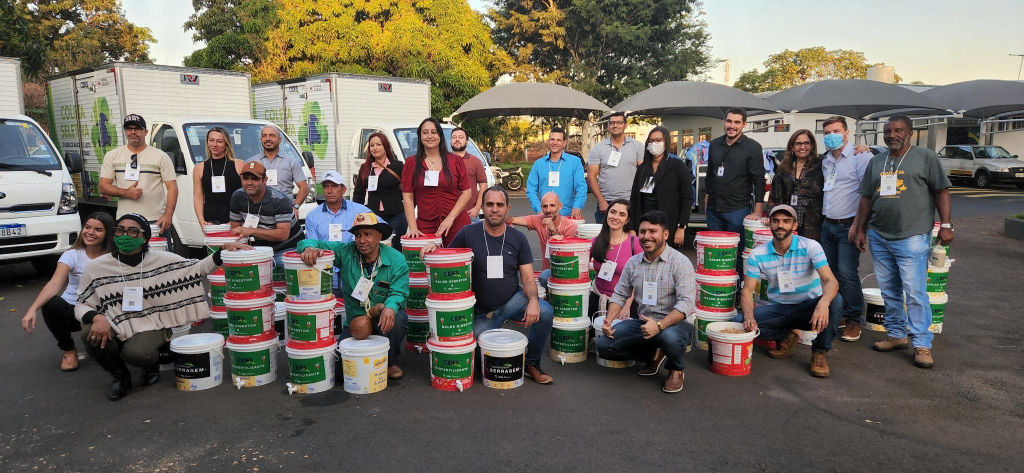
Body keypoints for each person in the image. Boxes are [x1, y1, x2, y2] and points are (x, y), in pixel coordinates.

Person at [74, 213, 248, 400]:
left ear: (144, 238)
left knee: (136, 354)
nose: (125, 235)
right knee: (88, 334)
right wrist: (97, 317)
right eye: (120, 230)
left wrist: (222, 250)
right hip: (114, 321)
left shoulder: (162, 260)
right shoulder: (97, 267)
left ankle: (150, 364)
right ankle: (120, 375)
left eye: (133, 231)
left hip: (151, 322)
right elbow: (81, 304)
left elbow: (197, 269)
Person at [421, 187, 555, 384]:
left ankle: (531, 363)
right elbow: (447, 257)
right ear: (482, 207)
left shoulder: (518, 238)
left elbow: (527, 279)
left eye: (499, 205)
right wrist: (435, 248)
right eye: (489, 204)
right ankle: (488, 333)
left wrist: (534, 301)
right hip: (480, 311)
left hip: (512, 302)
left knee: (545, 312)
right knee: (477, 359)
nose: (494, 209)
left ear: (507, 208)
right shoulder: (468, 233)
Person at [853, 115, 953, 369]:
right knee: (889, 291)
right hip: (879, 235)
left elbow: (941, 190)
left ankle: (922, 343)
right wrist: (861, 229)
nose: (892, 135)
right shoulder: (876, 161)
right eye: (888, 131)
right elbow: (866, 197)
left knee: (915, 293)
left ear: (909, 133)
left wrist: (947, 225)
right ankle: (897, 335)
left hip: (912, 236)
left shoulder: (926, 157)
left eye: (898, 130)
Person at [298, 212, 409, 380]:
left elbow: (399, 291)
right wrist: (308, 248)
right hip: (356, 321)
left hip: (382, 315)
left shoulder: (396, 259)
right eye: (358, 235)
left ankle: (389, 362)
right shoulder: (345, 252)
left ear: (379, 236)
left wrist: (391, 307)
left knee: (398, 319)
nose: (362, 240)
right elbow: (311, 242)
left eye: (367, 235)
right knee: (341, 373)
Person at [735, 205, 842, 378]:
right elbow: (747, 291)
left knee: (835, 301)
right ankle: (786, 335)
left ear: (794, 226)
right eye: (776, 221)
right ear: (769, 224)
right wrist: (749, 317)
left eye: (786, 221)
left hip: (809, 309)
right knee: (739, 321)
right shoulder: (758, 253)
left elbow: (831, 282)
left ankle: (819, 352)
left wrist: (823, 303)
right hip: (779, 309)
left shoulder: (810, 246)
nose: (780, 225)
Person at [595, 211, 696, 394]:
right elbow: (620, 294)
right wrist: (609, 320)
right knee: (604, 345)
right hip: (644, 323)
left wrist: (659, 325)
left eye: (653, 231)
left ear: (665, 234)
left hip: (676, 324)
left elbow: (687, 303)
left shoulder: (680, 262)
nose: (646, 236)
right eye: (642, 231)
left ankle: (676, 368)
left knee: (670, 337)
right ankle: (654, 355)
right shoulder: (633, 263)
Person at [22, 212, 114, 371]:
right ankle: (69, 350)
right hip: (73, 309)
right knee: (51, 303)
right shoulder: (72, 255)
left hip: (102, 311)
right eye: (87, 227)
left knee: (106, 349)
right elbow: (55, 283)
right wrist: (32, 309)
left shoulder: (113, 257)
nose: (90, 232)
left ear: (108, 234)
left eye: (98, 229)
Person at [819, 116, 874, 343]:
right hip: (828, 224)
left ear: (846, 133)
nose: (831, 135)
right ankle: (839, 315)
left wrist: (857, 226)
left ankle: (853, 320)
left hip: (848, 226)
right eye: (827, 132)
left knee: (848, 273)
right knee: (830, 274)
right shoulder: (826, 160)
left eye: (836, 131)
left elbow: (867, 194)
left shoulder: (861, 157)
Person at [97, 114, 178, 245]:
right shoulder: (112, 155)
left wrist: (168, 215)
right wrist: (125, 192)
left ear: (145, 132)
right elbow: (103, 186)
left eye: (137, 129)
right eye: (129, 129)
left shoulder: (160, 156)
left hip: (155, 221)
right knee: (128, 260)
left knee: (160, 261)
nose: (133, 132)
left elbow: (172, 187)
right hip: (125, 221)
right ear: (125, 132)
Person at [401, 118, 472, 246]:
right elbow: (408, 196)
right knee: (426, 264)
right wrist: (412, 227)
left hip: (456, 223)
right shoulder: (411, 163)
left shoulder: (455, 160)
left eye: (434, 132)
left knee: (455, 263)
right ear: (420, 136)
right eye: (425, 132)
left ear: (440, 135)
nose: (430, 136)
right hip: (426, 225)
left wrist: (450, 218)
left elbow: (466, 192)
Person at [304, 171, 373, 297]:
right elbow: (312, 246)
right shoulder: (312, 216)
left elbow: (381, 229)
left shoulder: (360, 210)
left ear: (344, 189)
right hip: (325, 270)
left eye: (334, 186)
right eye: (326, 187)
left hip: (355, 268)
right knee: (329, 308)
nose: (329, 191)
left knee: (358, 307)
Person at [704, 108, 766, 246]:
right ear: (723, 122)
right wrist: (707, 200)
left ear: (744, 124)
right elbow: (710, 174)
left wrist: (757, 212)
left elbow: (759, 180)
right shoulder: (714, 144)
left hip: (738, 210)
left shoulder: (753, 147)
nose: (732, 126)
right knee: (715, 252)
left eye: (737, 122)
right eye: (729, 121)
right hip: (714, 210)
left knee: (736, 254)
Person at [629, 126, 693, 249]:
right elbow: (634, 199)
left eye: (658, 140)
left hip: (669, 224)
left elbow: (688, 198)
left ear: (666, 142)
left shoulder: (677, 166)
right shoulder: (642, 169)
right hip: (645, 225)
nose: (654, 144)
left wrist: (681, 226)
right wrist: (632, 227)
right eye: (651, 141)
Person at [229, 161, 302, 267]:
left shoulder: (279, 200)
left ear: (265, 180)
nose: (249, 182)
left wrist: (250, 231)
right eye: (245, 178)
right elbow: (235, 229)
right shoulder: (237, 196)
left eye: (254, 178)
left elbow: (282, 235)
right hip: (262, 250)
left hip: (290, 249)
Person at [506, 192, 578, 289]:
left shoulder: (570, 226)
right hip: (548, 273)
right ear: (541, 207)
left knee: (544, 276)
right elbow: (512, 220)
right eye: (545, 206)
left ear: (560, 206)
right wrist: (501, 215)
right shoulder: (539, 220)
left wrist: (553, 228)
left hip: (566, 272)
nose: (548, 210)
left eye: (552, 205)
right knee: (543, 277)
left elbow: (563, 255)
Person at [767, 129, 824, 241]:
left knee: (809, 254)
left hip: (814, 223)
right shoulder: (784, 167)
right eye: (798, 143)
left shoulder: (821, 165)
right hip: (787, 220)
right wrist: (771, 215)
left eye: (806, 143)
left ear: (812, 145)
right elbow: (774, 195)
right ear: (792, 147)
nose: (802, 147)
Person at [353, 131, 407, 250]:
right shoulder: (365, 167)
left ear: (385, 146)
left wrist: (408, 210)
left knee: (395, 248)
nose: (375, 148)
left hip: (396, 215)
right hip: (374, 216)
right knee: (375, 248)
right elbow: (358, 193)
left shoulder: (397, 166)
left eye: (379, 144)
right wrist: (357, 214)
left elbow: (409, 191)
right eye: (372, 145)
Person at [587, 112, 644, 222]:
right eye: (612, 123)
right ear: (609, 125)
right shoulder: (598, 148)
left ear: (625, 125)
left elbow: (643, 174)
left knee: (630, 237)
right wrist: (601, 201)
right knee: (605, 238)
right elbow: (591, 177)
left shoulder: (637, 146)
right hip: (606, 202)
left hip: (630, 201)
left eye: (619, 123)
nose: (615, 125)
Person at [589, 199, 641, 318]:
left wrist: (627, 306)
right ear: (607, 214)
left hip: (626, 302)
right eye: (613, 212)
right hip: (598, 298)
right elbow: (577, 262)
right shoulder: (595, 242)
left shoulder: (635, 243)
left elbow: (640, 279)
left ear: (627, 220)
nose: (615, 217)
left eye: (622, 214)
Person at [246, 126, 308, 215]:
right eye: (264, 136)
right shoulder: (251, 162)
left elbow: (304, 187)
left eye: (272, 135)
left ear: (280, 140)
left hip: (284, 212)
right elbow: (244, 187)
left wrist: (295, 206)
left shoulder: (291, 162)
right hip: (258, 212)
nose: (267, 139)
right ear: (260, 139)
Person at [526, 127, 587, 219]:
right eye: (552, 139)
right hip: (545, 216)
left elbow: (581, 187)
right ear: (548, 141)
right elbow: (531, 190)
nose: (555, 143)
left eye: (558, 140)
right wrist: (539, 209)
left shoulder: (575, 162)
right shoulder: (538, 164)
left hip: (567, 215)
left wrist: (577, 206)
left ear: (564, 143)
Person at [193, 127, 244, 227]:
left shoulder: (239, 165)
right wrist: (201, 221)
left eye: (219, 141)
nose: (214, 145)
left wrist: (240, 219)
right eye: (211, 140)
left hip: (234, 220)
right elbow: (198, 197)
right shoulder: (199, 168)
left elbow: (246, 195)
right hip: (210, 222)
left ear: (226, 144)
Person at [450, 127, 489, 221]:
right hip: (447, 215)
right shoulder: (443, 161)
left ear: (466, 141)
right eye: (454, 137)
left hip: (470, 214)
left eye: (461, 137)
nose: (457, 140)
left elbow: (483, 186)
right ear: (451, 140)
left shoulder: (475, 161)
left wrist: (477, 208)